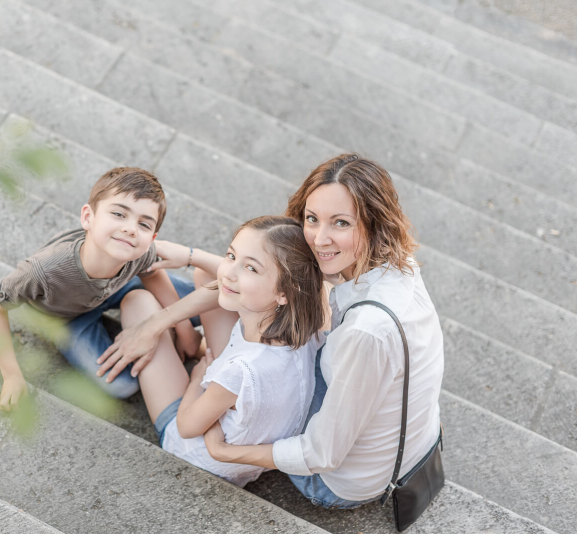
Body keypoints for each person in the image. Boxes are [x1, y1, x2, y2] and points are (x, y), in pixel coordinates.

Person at [98, 154, 444, 508]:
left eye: (341, 223)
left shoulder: (366, 332)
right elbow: (265, 283)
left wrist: (228, 451)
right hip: (401, 436)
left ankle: (174, 330)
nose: (319, 239)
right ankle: (182, 329)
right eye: (312, 219)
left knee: (138, 303)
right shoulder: (399, 268)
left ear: (376, 224)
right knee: (218, 282)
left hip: (335, 481)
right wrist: (193, 258)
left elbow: (322, 454)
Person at [118, 216, 325, 486]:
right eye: (231, 255)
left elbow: (187, 427)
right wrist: (192, 257)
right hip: (253, 451)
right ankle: (191, 340)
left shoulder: (239, 373)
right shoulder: (309, 327)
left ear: (284, 292)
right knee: (206, 276)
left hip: (198, 456)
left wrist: (196, 379)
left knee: (137, 302)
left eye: (251, 268)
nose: (229, 271)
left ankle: (188, 342)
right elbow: (223, 275)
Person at [0, 167, 202, 410]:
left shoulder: (136, 249)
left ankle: (148, 311)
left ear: (152, 238)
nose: (131, 229)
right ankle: (150, 320)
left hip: (120, 286)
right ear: (88, 217)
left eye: (144, 224)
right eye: (119, 214)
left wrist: (186, 333)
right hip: (65, 319)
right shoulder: (44, 271)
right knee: (121, 385)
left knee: (203, 302)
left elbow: (152, 272)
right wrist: (11, 375)